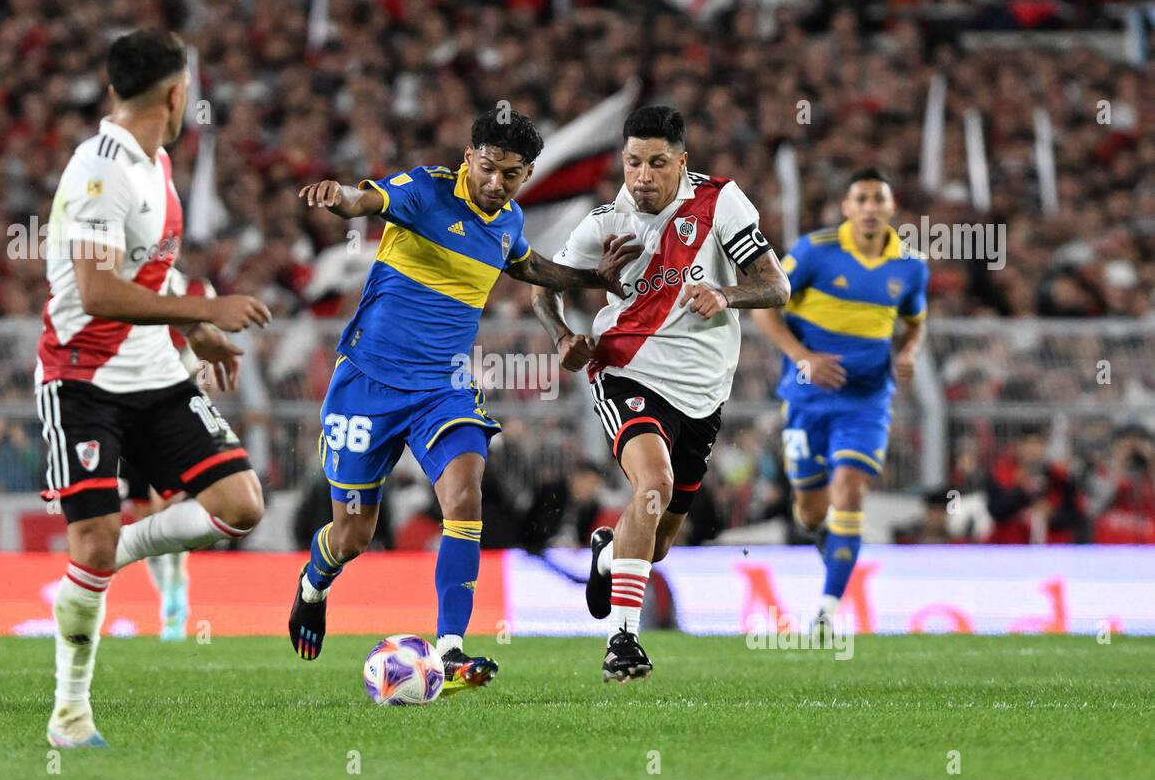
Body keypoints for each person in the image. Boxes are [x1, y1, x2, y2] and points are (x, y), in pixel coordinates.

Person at [293, 109, 634, 693]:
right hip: (366, 382)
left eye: (512, 174)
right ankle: (312, 585)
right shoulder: (425, 190)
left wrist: (587, 278)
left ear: (526, 174)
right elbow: (364, 202)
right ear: (468, 155)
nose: (496, 183)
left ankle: (449, 648)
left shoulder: (510, 220)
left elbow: (526, 264)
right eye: (488, 167)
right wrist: (338, 197)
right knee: (351, 535)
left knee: (464, 493)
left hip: (441, 387)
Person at [37, 29, 271, 748]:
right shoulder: (99, 172)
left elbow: (144, 271)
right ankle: (70, 714)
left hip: (157, 372)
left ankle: (105, 551)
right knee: (98, 542)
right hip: (83, 377)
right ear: (178, 94)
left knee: (239, 507)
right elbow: (99, 289)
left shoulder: (157, 162)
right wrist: (204, 308)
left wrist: (194, 333)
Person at [532, 105, 790, 681]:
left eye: (656, 163)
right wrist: (565, 337)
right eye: (632, 163)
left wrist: (725, 295)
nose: (642, 176)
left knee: (659, 542)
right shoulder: (603, 223)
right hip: (625, 369)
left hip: (703, 391)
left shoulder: (720, 203)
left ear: (682, 162)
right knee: (654, 483)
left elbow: (776, 286)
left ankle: (607, 554)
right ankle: (623, 641)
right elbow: (543, 290)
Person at [751, 168, 928, 635]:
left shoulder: (910, 265)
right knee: (809, 508)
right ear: (846, 208)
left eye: (879, 200)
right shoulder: (815, 251)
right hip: (807, 398)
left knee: (849, 488)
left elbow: (914, 322)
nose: (870, 208)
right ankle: (824, 535)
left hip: (866, 401)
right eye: (861, 199)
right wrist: (802, 356)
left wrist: (906, 353)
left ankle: (828, 609)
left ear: (892, 209)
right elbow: (765, 306)